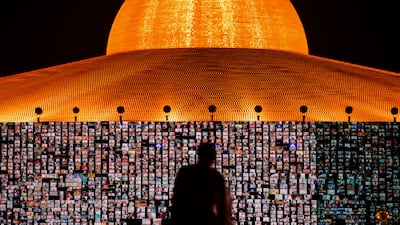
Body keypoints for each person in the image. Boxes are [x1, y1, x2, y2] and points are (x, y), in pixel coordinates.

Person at [170, 143, 232, 225]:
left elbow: (176, 198)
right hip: (206, 219)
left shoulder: (185, 172)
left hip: (185, 218)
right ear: (213, 157)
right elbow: (222, 206)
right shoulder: (215, 177)